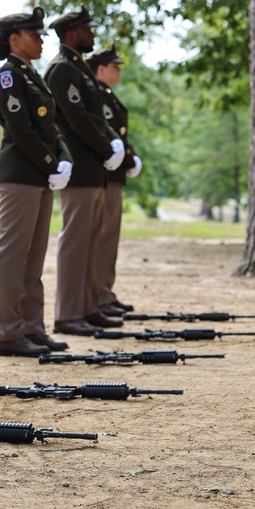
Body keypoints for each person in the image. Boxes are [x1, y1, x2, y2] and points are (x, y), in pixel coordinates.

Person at [0, 8, 74, 357]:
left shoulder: (33, 76)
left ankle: (31, 327)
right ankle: (7, 333)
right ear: (14, 38)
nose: (41, 40)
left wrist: (63, 158)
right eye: (34, 34)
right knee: (13, 255)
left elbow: (51, 129)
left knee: (33, 256)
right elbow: (20, 129)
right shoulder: (8, 77)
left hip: (39, 173)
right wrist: (53, 162)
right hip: (20, 173)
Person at [44, 6, 126, 337]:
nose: (93, 35)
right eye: (87, 31)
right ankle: (68, 313)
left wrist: (109, 146)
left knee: (91, 242)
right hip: (78, 163)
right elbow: (77, 119)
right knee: (76, 242)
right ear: (71, 34)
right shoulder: (62, 70)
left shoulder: (79, 70)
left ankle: (87, 307)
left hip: (92, 165)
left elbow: (96, 119)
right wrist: (108, 147)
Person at [87, 45, 142, 315]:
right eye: (114, 66)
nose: (118, 71)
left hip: (114, 173)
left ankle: (104, 291)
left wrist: (131, 157)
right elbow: (106, 133)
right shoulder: (97, 94)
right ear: (101, 69)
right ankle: (98, 294)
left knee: (109, 237)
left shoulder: (107, 95)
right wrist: (127, 157)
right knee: (103, 236)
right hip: (105, 173)